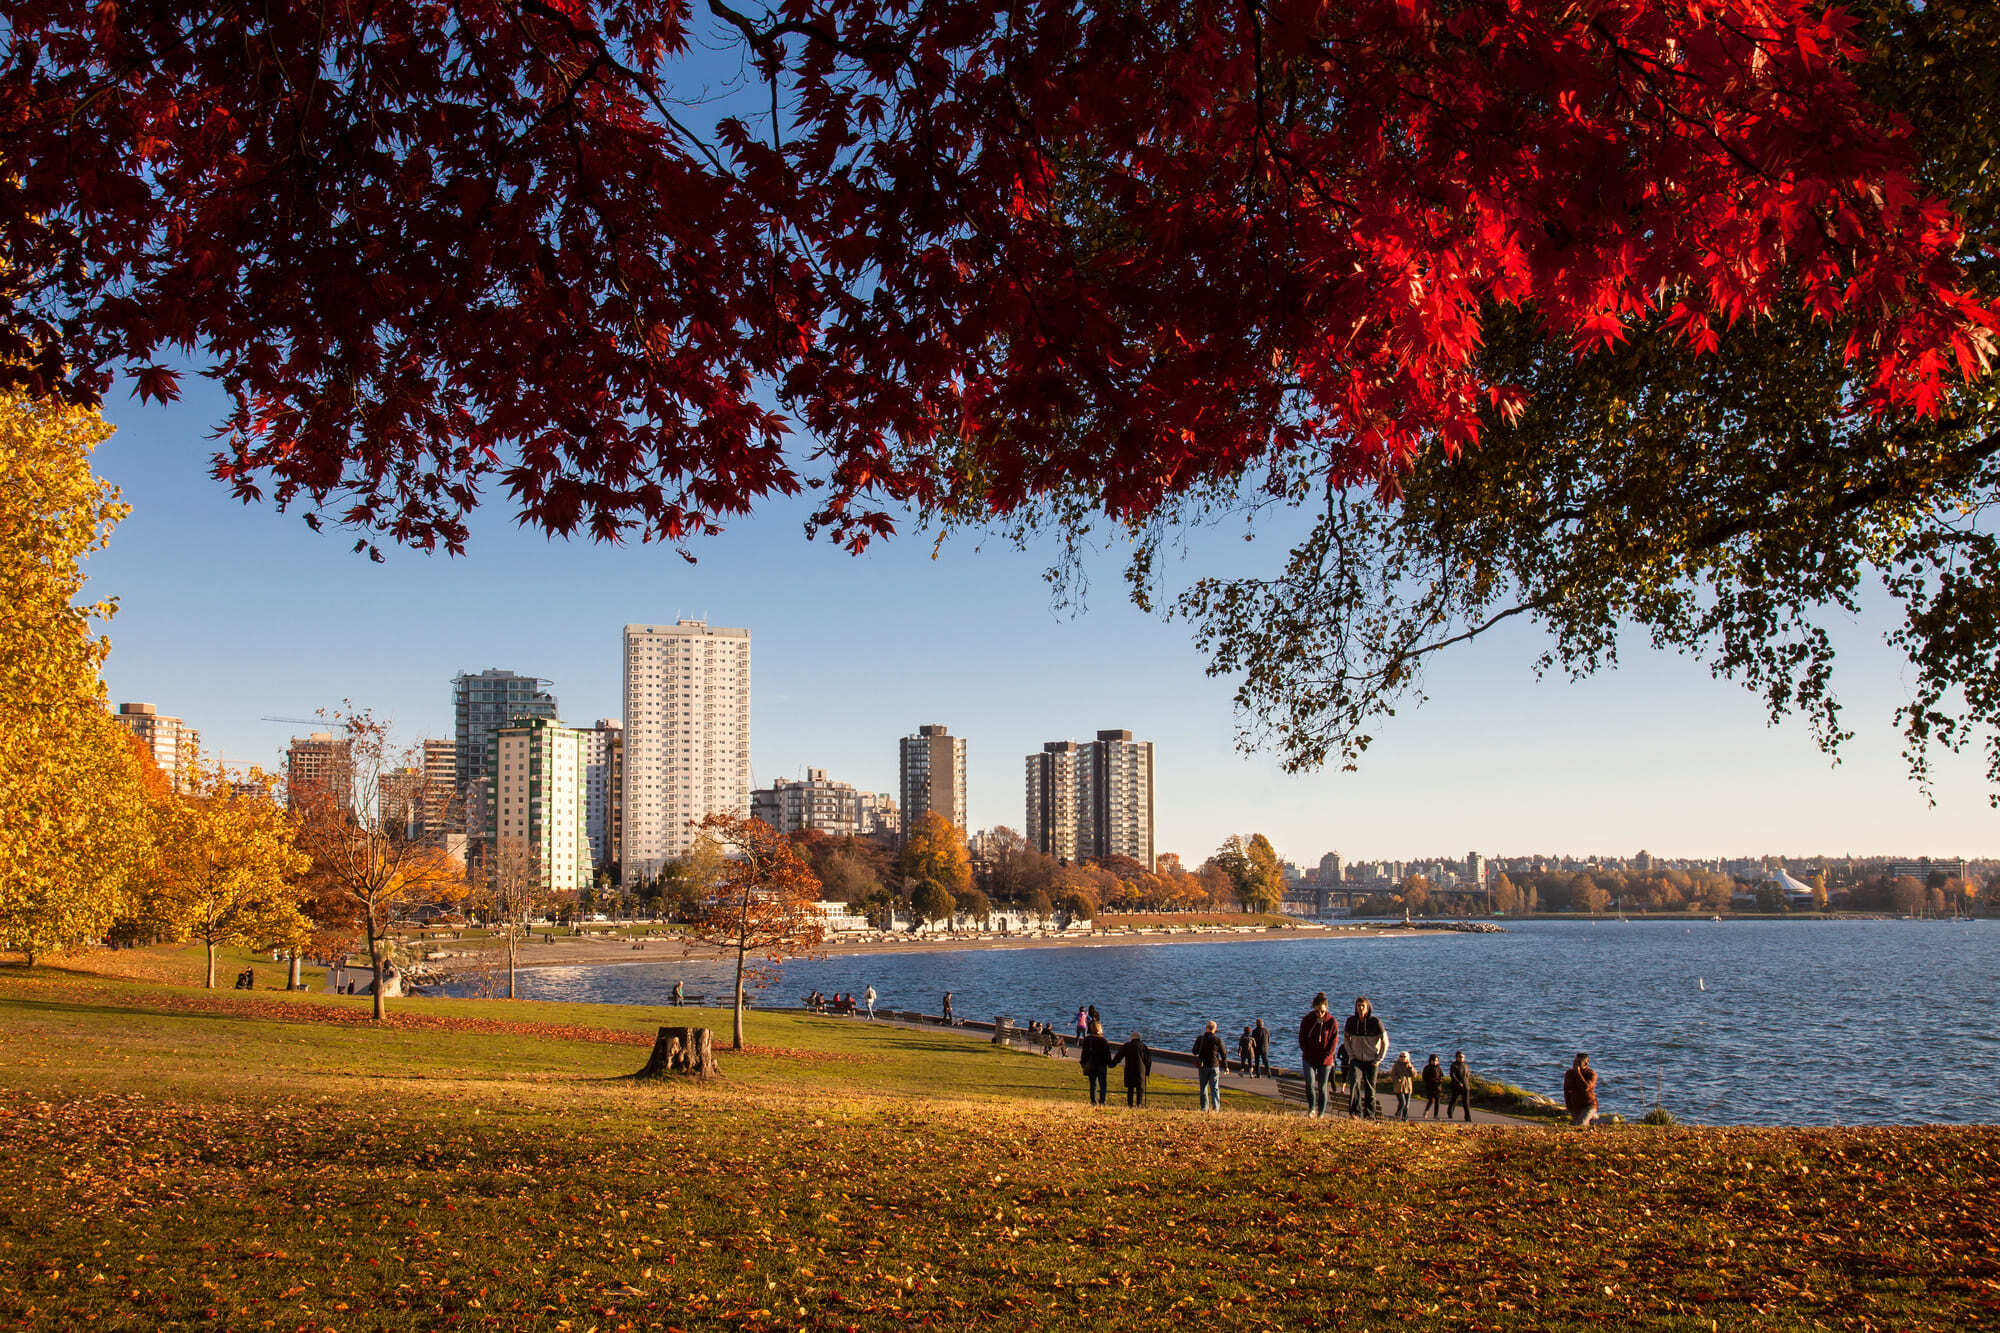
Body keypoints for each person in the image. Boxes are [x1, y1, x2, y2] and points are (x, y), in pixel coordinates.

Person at [1297, 992, 1341, 1117]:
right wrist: (1306, 1051)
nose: (1320, 1014)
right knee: (1309, 1083)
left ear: (1326, 1008)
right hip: (1309, 1057)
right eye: (1317, 1011)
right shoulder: (1307, 1020)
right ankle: (1311, 1108)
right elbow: (1301, 1038)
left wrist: (1327, 1056)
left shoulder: (1332, 1022)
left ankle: (1321, 1114)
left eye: (1322, 1011)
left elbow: (1334, 1042)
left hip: (1325, 1060)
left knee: (1322, 1087)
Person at [1344, 996, 1389, 1118]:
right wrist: (1351, 1055)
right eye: (1358, 1006)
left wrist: (1379, 1059)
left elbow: (1385, 1041)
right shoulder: (1351, 1022)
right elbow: (1346, 1039)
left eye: (1363, 1006)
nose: (1360, 1008)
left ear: (1368, 1007)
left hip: (1372, 1061)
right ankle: (1355, 1113)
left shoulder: (1375, 1022)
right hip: (1356, 1060)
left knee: (1370, 1089)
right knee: (1355, 1086)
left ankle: (1370, 1115)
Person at [1110, 1030, 1152, 1107]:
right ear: (1139, 1038)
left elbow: (1119, 1056)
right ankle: (1139, 1104)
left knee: (1130, 1088)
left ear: (1131, 1038)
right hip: (1140, 1070)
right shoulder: (1143, 1047)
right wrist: (1147, 1072)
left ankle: (1130, 1104)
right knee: (1140, 1089)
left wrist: (1112, 1064)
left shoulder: (1127, 1046)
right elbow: (1148, 1061)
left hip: (1129, 1070)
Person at [1193, 1020, 1227, 1112]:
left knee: (1203, 1088)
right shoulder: (1217, 1040)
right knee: (1214, 1088)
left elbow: (1194, 1051)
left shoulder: (1200, 1039)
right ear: (1215, 1029)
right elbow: (1223, 1054)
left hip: (1203, 1066)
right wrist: (1226, 1066)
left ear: (1206, 1028)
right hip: (1214, 1065)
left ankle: (1204, 1107)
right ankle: (1216, 1108)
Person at [1079, 1020, 1112, 1106]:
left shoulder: (1087, 1039)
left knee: (1093, 1084)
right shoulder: (1103, 1041)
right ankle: (1102, 1101)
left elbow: (1084, 1053)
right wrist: (1110, 1063)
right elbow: (1107, 1055)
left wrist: (1083, 1063)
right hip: (1101, 1065)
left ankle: (1093, 1101)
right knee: (1102, 1084)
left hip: (1091, 1064)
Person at [1564, 1052, 1599, 1128]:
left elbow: (1586, 1087)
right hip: (1576, 1106)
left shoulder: (1591, 1074)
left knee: (1580, 1125)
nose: (1576, 1064)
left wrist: (1578, 1073)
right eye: (1575, 1062)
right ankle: (1594, 1120)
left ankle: (1594, 1118)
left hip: (1589, 1105)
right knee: (1578, 1123)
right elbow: (1566, 1091)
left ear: (1585, 1063)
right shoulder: (1569, 1073)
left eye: (1579, 1062)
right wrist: (1569, 1107)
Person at [1388, 1051, 1417, 1120]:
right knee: (1402, 1103)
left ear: (1407, 1058)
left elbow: (1414, 1075)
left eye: (1404, 1057)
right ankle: (1397, 1114)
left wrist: (1411, 1068)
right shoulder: (1396, 1065)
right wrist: (1397, 1079)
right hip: (1399, 1087)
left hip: (1408, 1087)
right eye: (1401, 1056)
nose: (1402, 1058)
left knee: (1407, 1105)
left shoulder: (1409, 1065)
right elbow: (1392, 1074)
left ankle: (1404, 1118)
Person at [1447, 1050, 1473, 1122]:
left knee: (1466, 1102)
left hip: (1465, 1086)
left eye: (1463, 1057)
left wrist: (1468, 1080)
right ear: (1457, 1057)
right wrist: (1458, 1082)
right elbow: (1452, 1075)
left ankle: (1468, 1117)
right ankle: (1450, 1111)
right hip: (1456, 1086)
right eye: (1460, 1057)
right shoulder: (1454, 1065)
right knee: (1454, 1099)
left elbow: (1467, 1074)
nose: (1462, 1058)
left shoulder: (1465, 1065)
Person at [1421, 1054, 1445, 1119]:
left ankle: (1436, 1115)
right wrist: (1431, 1080)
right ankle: (1426, 1111)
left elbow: (1442, 1075)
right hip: (1430, 1087)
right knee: (1431, 1100)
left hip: (1438, 1087)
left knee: (1437, 1101)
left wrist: (1441, 1080)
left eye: (1436, 1061)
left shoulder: (1439, 1068)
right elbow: (1424, 1077)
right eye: (1433, 1061)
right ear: (1430, 1061)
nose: (1435, 1062)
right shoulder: (1427, 1068)